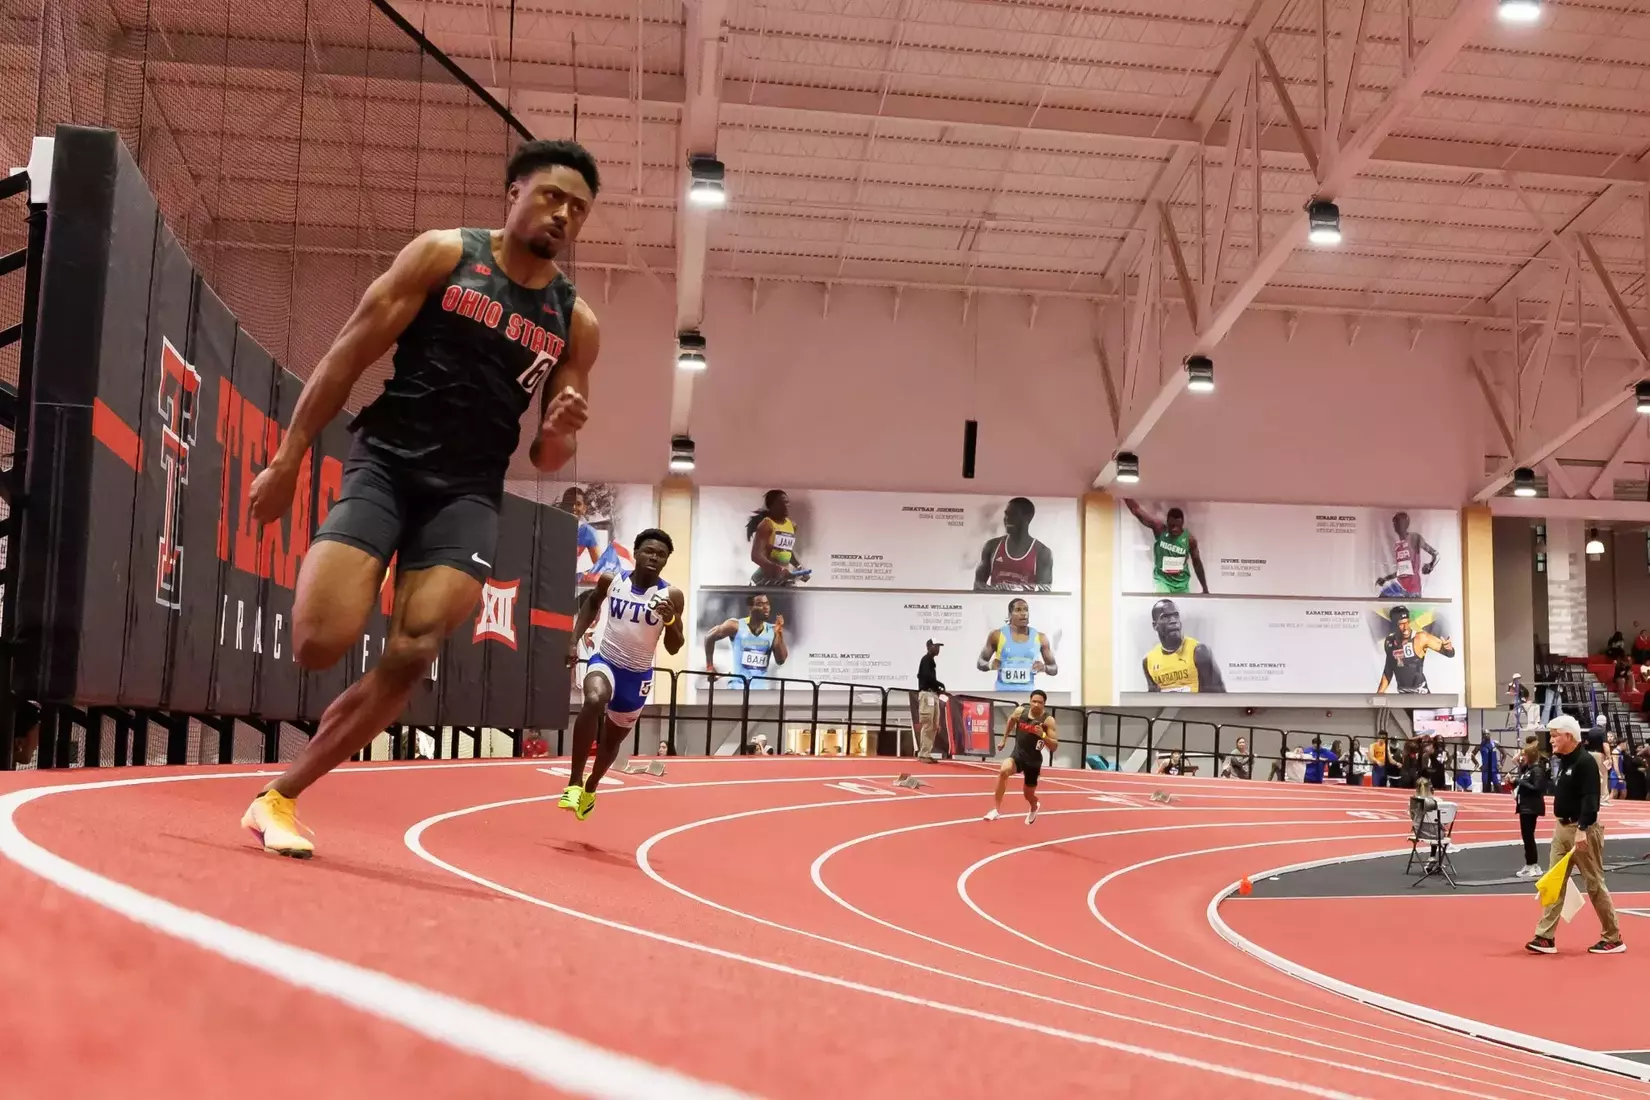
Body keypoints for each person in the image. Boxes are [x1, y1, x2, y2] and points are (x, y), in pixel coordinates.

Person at [239, 139, 602, 858]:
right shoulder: (443, 255)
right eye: (552, 196)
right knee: (317, 642)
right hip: (387, 464)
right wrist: (287, 459)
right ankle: (355, 560)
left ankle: (278, 796)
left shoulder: (575, 323)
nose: (563, 215)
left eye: (578, 209)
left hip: (468, 492)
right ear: (514, 192)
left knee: (413, 647)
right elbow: (349, 352)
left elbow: (547, 454)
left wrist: (563, 431)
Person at [558, 530, 685, 820]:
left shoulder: (671, 595)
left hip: (637, 677)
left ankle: (591, 787)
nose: (654, 557)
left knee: (611, 743)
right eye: (649, 551)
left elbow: (675, 647)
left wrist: (671, 620)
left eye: (661, 554)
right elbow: (592, 602)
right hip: (607, 662)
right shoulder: (612, 580)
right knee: (593, 699)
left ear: (666, 561)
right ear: (637, 553)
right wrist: (572, 638)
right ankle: (574, 783)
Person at [1527, 715, 1624, 955]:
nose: (1551, 740)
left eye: (1554, 735)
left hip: (1582, 830)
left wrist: (1582, 829)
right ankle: (1545, 936)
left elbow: (1591, 800)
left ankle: (1613, 936)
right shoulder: (1565, 761)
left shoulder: (1585, 763)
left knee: (1594, 884)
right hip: (1562, 829)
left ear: (1569, 736)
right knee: (1554, 881)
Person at [983, 689, 1057, 824]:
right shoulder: (1020, 712)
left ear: (1044, 704)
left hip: (1033, 761)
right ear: (1030, 701)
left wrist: (1043, 735)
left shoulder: (1048, 720)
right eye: (1033, 701)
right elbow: (1011, 721)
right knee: (1004, 770)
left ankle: (1034, 805)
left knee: (1028, 795)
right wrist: (1004, 740)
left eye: (1039, 702)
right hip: (1018, 755)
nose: (1036, 704)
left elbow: (1054, 746)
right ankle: (996, 809)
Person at [703, 593, 787, 689]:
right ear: (750, 608)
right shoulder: (735, 626)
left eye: (767, 604)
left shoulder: (772, 630)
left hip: (760, 691)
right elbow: (709, 637)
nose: (765, 607)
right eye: (760, 604)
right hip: (737, 688)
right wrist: (709, 667)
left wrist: (779, 634)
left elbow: (780, 660)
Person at [1125, 500, 1208, 594]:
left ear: (1182, 523)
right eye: (1172, 526)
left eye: (1178, 526)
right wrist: (1124, 494)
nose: (1175, 529)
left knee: (1182, 608)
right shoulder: (1160, 529)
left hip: (1181, 584)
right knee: (1164, 603)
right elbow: (1137, 511)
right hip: (1163, 581)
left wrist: (1204, 588)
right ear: (1167, 522)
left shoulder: (1189, 539)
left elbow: (1197, 563)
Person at [1142, 599, 1225, 693]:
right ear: (1155, 625)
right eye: (1165, 617)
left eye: (1175, 616)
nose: (1173, 621)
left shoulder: (1199, 652)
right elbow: (1153, 699)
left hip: (1195, 707)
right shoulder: (1148, 661)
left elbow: (1219, 698)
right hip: (1168, 707)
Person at [978, 598, 1058, 693]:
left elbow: (1054, 668)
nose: (1023, 613)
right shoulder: (997, 635)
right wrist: (990, 665)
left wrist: (1044, 668)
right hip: (1001, 693)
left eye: (1026, 609)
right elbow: (980, 663)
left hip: (1028, 694)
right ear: (1010, 615)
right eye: (1018, 610)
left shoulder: (1040, 638)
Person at [974, 497, 1053, 591]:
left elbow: (1045, 590)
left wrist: (1014, 588)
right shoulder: (992, 546)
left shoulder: (1042, 552)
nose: (1007, 519)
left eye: (1013, 515)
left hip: (1025, 604)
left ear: (1028, 517)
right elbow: (977, 586)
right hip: (994, 603)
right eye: (1006, 514)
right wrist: (998, 590)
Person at [1376, 606, 1455, 694]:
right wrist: (1378, 696)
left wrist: (1448, 648)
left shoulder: (1420, 638)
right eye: (1401, 624)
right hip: (1403, 696)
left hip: (1421, 695)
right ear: (1395, 625)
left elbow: (1449, 653)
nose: (1406, 627)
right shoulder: (1389, 642)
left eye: (1407, 622)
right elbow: (1388, 671)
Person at [747, 490, 811, 586]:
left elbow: (786, 551)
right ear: (772, 506)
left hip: (782, 579)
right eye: (782, 503)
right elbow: (756, 556)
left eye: (787, 502)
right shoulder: (766, 524)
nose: (787, 505)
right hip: (764, 580)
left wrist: (799, 567)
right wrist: (776, 568)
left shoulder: (791, 525)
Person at [1375, 511, 1439, 597]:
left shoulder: (1414, 538)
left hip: (1413, 589)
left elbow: (1436, 554)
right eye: (1395, 523)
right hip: (1400, 587)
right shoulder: (1398, 545)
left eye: (1400, 523)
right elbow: (1402, 571)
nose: (1397, 526)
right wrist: (1385, 579)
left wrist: (1430, 566)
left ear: (1406, 524)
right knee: (1382, 597)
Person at [1512, 737, 1549, 878]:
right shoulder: (1527, 769)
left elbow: (1538, 788)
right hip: (1524, 806)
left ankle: (1533, 864)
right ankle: (1529, 863)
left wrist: (1520, 781)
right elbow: (1523, 783)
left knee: (1529, 836)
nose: (1523, 757)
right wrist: (1515, 782)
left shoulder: (1537, 770)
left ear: (1530, 756)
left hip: (1531, 807)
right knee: (1526, 836)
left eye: (1525, 755)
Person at [915, 639, 945, 761]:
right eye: (936, 646)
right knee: (928, 724)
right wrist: (938, 684)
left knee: (933, 725)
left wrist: (937, 688)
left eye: (939, 646)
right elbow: (926, 676)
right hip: (927, 694)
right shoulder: (926, 660)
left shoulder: (930, 661)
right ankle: (923, 753)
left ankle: (927, 752)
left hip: (932, 694)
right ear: (930, 647)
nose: (938, 649)